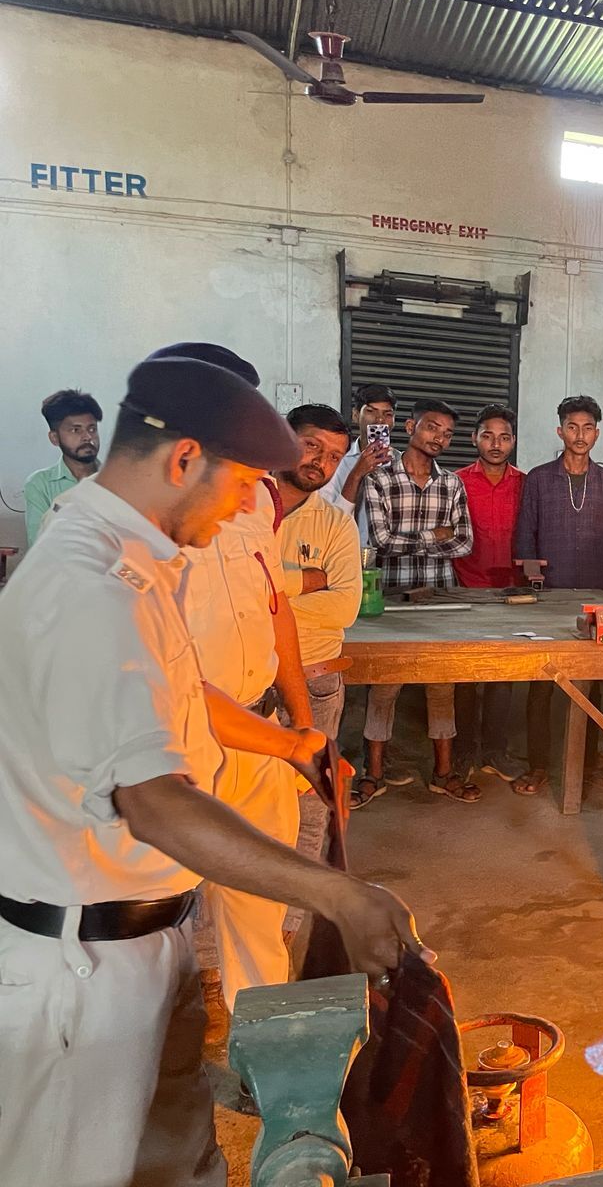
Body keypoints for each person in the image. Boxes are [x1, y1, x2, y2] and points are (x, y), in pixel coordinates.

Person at [0, 354, 423, 1186]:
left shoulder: (134, 556)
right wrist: (337, 893)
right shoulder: (91, 586)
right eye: (237, 484)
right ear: (184, 458)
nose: (244, 506)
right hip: (81, 972)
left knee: (178, 1161)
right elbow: (155, 802)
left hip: (142, 943)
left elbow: (182, 693)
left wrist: (292, 740)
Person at [143, 343, 316, 1020]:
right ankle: (159, 1052)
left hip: (260, 732)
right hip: (175, 751)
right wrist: (290, 746)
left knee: (259, 912)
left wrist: (302, 724)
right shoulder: (134, 518)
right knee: (157, 916)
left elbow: (276, 611)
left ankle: (263, 1050)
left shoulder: (255, 500)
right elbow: (172, 680)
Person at [359, 398, 475, 805]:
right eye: (431, 427)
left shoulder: (452, 484)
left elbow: (464, 542)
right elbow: (380, 541)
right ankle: (373, 774)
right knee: (384, 687)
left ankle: (443, 773)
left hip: (439, 595)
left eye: (447, 434)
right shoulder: (379, 479)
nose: (439, 438)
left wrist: (415, 540)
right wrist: (435, 536)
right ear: (410, 427)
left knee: (442, 686)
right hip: (391, 595)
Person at [515, 395, 603, 793]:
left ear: (597, 433)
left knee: (591, 683)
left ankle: (589, 764)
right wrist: (534, 588)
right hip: (548, 595)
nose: (580, 435)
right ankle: (538, 764)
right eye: (572, 427)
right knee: (542, 682)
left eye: (588, 428)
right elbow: (525, 535)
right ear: (560, 431)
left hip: (597, 597)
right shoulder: (538, 478)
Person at [275, 403, 362, 880]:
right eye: (312, 446)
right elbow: (219, 594)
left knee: (310, 806)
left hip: (315, 680)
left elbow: (344, 607)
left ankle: (291, 917)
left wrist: (267, 595)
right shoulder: (244, 507)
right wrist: (305, 579)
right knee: (239, 804)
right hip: (243, 683)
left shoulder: (335, 524)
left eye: (333, 457)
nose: (320, 463)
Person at [452, 405, 529, 789]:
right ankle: (464, 751)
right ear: (474, 438)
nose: (496, 444)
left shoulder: (526, 484)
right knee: (465, 674)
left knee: (504, 675)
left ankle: (495, 752)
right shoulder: (456, 482)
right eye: (488, 435)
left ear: (513, 441)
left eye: (504, 437)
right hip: (466, 588)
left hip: (511, 593)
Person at [322, 384, 397, 546]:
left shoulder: (402, 463)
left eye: (387, 414)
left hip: (392, 555)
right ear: (356, 415)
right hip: (347, 549)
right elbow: (329, 516)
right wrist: (358, 472)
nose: (379, 420)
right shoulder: (338, 460)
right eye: (371, 411)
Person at [24, 389, 102, 545]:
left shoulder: (116, 479)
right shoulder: (40, 484)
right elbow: (39, 546)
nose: (88, 437)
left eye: (92, 429)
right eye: (76, 430)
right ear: (54, 438)